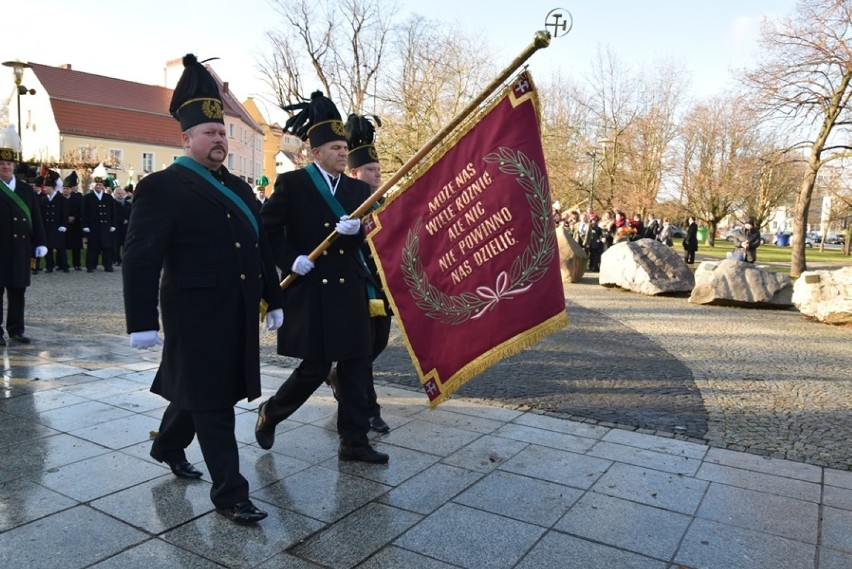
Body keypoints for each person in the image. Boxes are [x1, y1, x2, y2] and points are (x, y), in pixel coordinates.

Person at [122, 54, 284, 525]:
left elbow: (258, 245)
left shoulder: (239, 186)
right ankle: (231, 494)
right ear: (186, 138)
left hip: (235, 310)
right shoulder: (162, 187)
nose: (219, 139)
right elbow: (141, 256)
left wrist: (274, 298)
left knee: (205, 390)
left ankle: (168, 444)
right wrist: (140, 322)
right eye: (209, 133)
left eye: (222, 133)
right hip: (193, 313)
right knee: (214, 403)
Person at [255, 91, 388, 464]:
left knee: (356, 366)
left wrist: (358, 232)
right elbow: (269, 232)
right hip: (311, 288)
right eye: (334, 147)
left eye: (345, 147)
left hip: (350, 291)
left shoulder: (358, 190)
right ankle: (272, 412)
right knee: (314, 368)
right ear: (316, 152)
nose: (344, 153)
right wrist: (291, 259)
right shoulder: (294, 185)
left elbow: (373, 237)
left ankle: (354, 442)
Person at [340, 112, 390, 433]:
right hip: (355, 285)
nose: (377, 175)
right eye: (371, 170)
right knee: (362, 348)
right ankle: (368, 407)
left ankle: (343, 380)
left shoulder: (383, 202)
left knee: (379, 343)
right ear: (355, 171)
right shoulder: (343, 199)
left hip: (382, 285)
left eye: (379, 170)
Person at [0, 125, 47, 345]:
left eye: (9, 164)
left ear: (14, 166)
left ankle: (16, 330)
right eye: (1, 164)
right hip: (0, 249)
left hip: (20, 249)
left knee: (18, 292)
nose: (5, 167)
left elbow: (36, 218)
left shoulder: (26, 190)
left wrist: (41, 242)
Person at [81, 175, 117, 272]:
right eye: (96, 185)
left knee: (107, 247)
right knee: (93, 247)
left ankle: (107, 265)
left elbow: (113, 212)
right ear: (93, 186)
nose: (98, 186)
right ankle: (91, 265)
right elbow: (84, 213)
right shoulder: (87, 197)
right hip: (93, 226)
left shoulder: (108, 197)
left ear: (102, 186)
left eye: (100, 185)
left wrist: (113, 225)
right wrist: (85, 225)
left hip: (106, 226)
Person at [37, 170, 69, 273]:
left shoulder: (61, 199)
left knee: (60, 248)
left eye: (46, 187)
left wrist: (64, 225)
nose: (44, 189)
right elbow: (41, 215)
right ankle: (49, 266)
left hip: (58, 226)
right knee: (48, 248)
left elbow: (65, 213)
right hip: (47, 227)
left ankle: (64, 265)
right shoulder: (43, 200)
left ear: (51, 188)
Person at [62, 172, 84, 270]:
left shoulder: (77, 199)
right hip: (63, 225)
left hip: (75, 225)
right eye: (64, 189)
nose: (65, 190)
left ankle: (77, 264)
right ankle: (63, 264)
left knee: (76, 247)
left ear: (71, 189)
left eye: (67, 189)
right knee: (62, 246)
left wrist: (74, 217)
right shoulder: (60, 199)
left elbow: (81, 211)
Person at [112, 186, 131, 266]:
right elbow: (113, 214)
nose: (120, 195)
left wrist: (127, 219)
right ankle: (116, 260)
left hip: (126, 227)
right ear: (115, 194)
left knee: (126, 244)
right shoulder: (112, 203)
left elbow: (131, 213)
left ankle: (125, 259)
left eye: (122, 193)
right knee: (116, 245)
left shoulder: (128, 204)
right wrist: (122, 220)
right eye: (118, 193)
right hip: (117, 226)